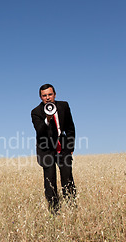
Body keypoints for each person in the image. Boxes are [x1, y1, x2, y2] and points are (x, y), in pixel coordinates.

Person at [31, 84, 76, 214]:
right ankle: (54, 211)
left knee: (67, 177)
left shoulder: (64, 106)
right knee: (49, 180)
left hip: (63, 148)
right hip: (46, 150)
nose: (48, 98)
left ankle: (71, 206)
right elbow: (40, 131)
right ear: (41, 97)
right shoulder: (36, 112)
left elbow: (70, 127)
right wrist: (47, 119)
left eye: (50, 94)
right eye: (44, 96)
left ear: (55, 94)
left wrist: (71, 146)